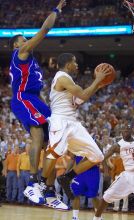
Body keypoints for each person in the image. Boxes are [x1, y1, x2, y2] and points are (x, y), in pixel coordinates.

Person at [9, 0, 67, 209]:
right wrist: (56, 10)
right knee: (38, 135)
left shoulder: (32, 63)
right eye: (23, 40)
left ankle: (48, 189)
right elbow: (44, 30)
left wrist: (49, 109)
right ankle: (33, 181)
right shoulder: (21, 53)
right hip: (22, 98)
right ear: (17, 45)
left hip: (35, 98)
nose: (26, 41)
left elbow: (38, 91)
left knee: (53, 141)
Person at [46, 53, 111, 199]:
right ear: (68, 64)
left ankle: (67, 177)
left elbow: (81, 99)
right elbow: (83, 95)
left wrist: (98, 85)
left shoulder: (69, 80)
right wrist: (97, 79)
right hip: (61, 120)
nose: (77, 65)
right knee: (54, 152)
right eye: (74, 62)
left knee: (97, 156)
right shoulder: (62, 76)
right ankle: (42, 183)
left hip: (73, 122)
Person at [93, 124, 134, 220]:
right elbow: (103, 158)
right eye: (124, 129)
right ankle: (96, 218)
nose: (126, 131)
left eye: (128, 129)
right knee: (107, 195)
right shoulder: (117, 146)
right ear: (121, 131)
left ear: (131, 130)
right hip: (128, 175)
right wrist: (105, 172)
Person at [70, 155, 100, 220]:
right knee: (75, 194)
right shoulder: (76, 145)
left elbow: (102, 158)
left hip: (92, 172)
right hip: (79, 171)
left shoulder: (97, 144)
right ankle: (75, 217)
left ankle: (98, 216)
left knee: (94, 195)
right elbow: (72, 159)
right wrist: (67, 172)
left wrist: (106, 171)